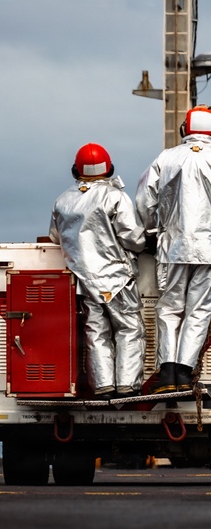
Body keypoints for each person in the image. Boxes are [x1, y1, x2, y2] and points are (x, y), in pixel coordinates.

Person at [49, 143, 146, 397]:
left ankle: (103, 384)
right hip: (117, 279)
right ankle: (127, 383)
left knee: (95, 332)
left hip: (83, 281)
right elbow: (134, 239)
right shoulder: (114, 196)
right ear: (109, 169)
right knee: (129, 328)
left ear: (75, 170)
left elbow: (54, 238)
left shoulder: (62, 200)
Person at [137, 105, 211, 394]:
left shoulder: (166, 158)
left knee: (170, 308)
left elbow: (145, 200)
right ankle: (184, 369)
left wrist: (150, 232)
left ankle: (167, 372)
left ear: (185, 130)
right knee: (200, 309)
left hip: (172, 247)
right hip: (208, 250)